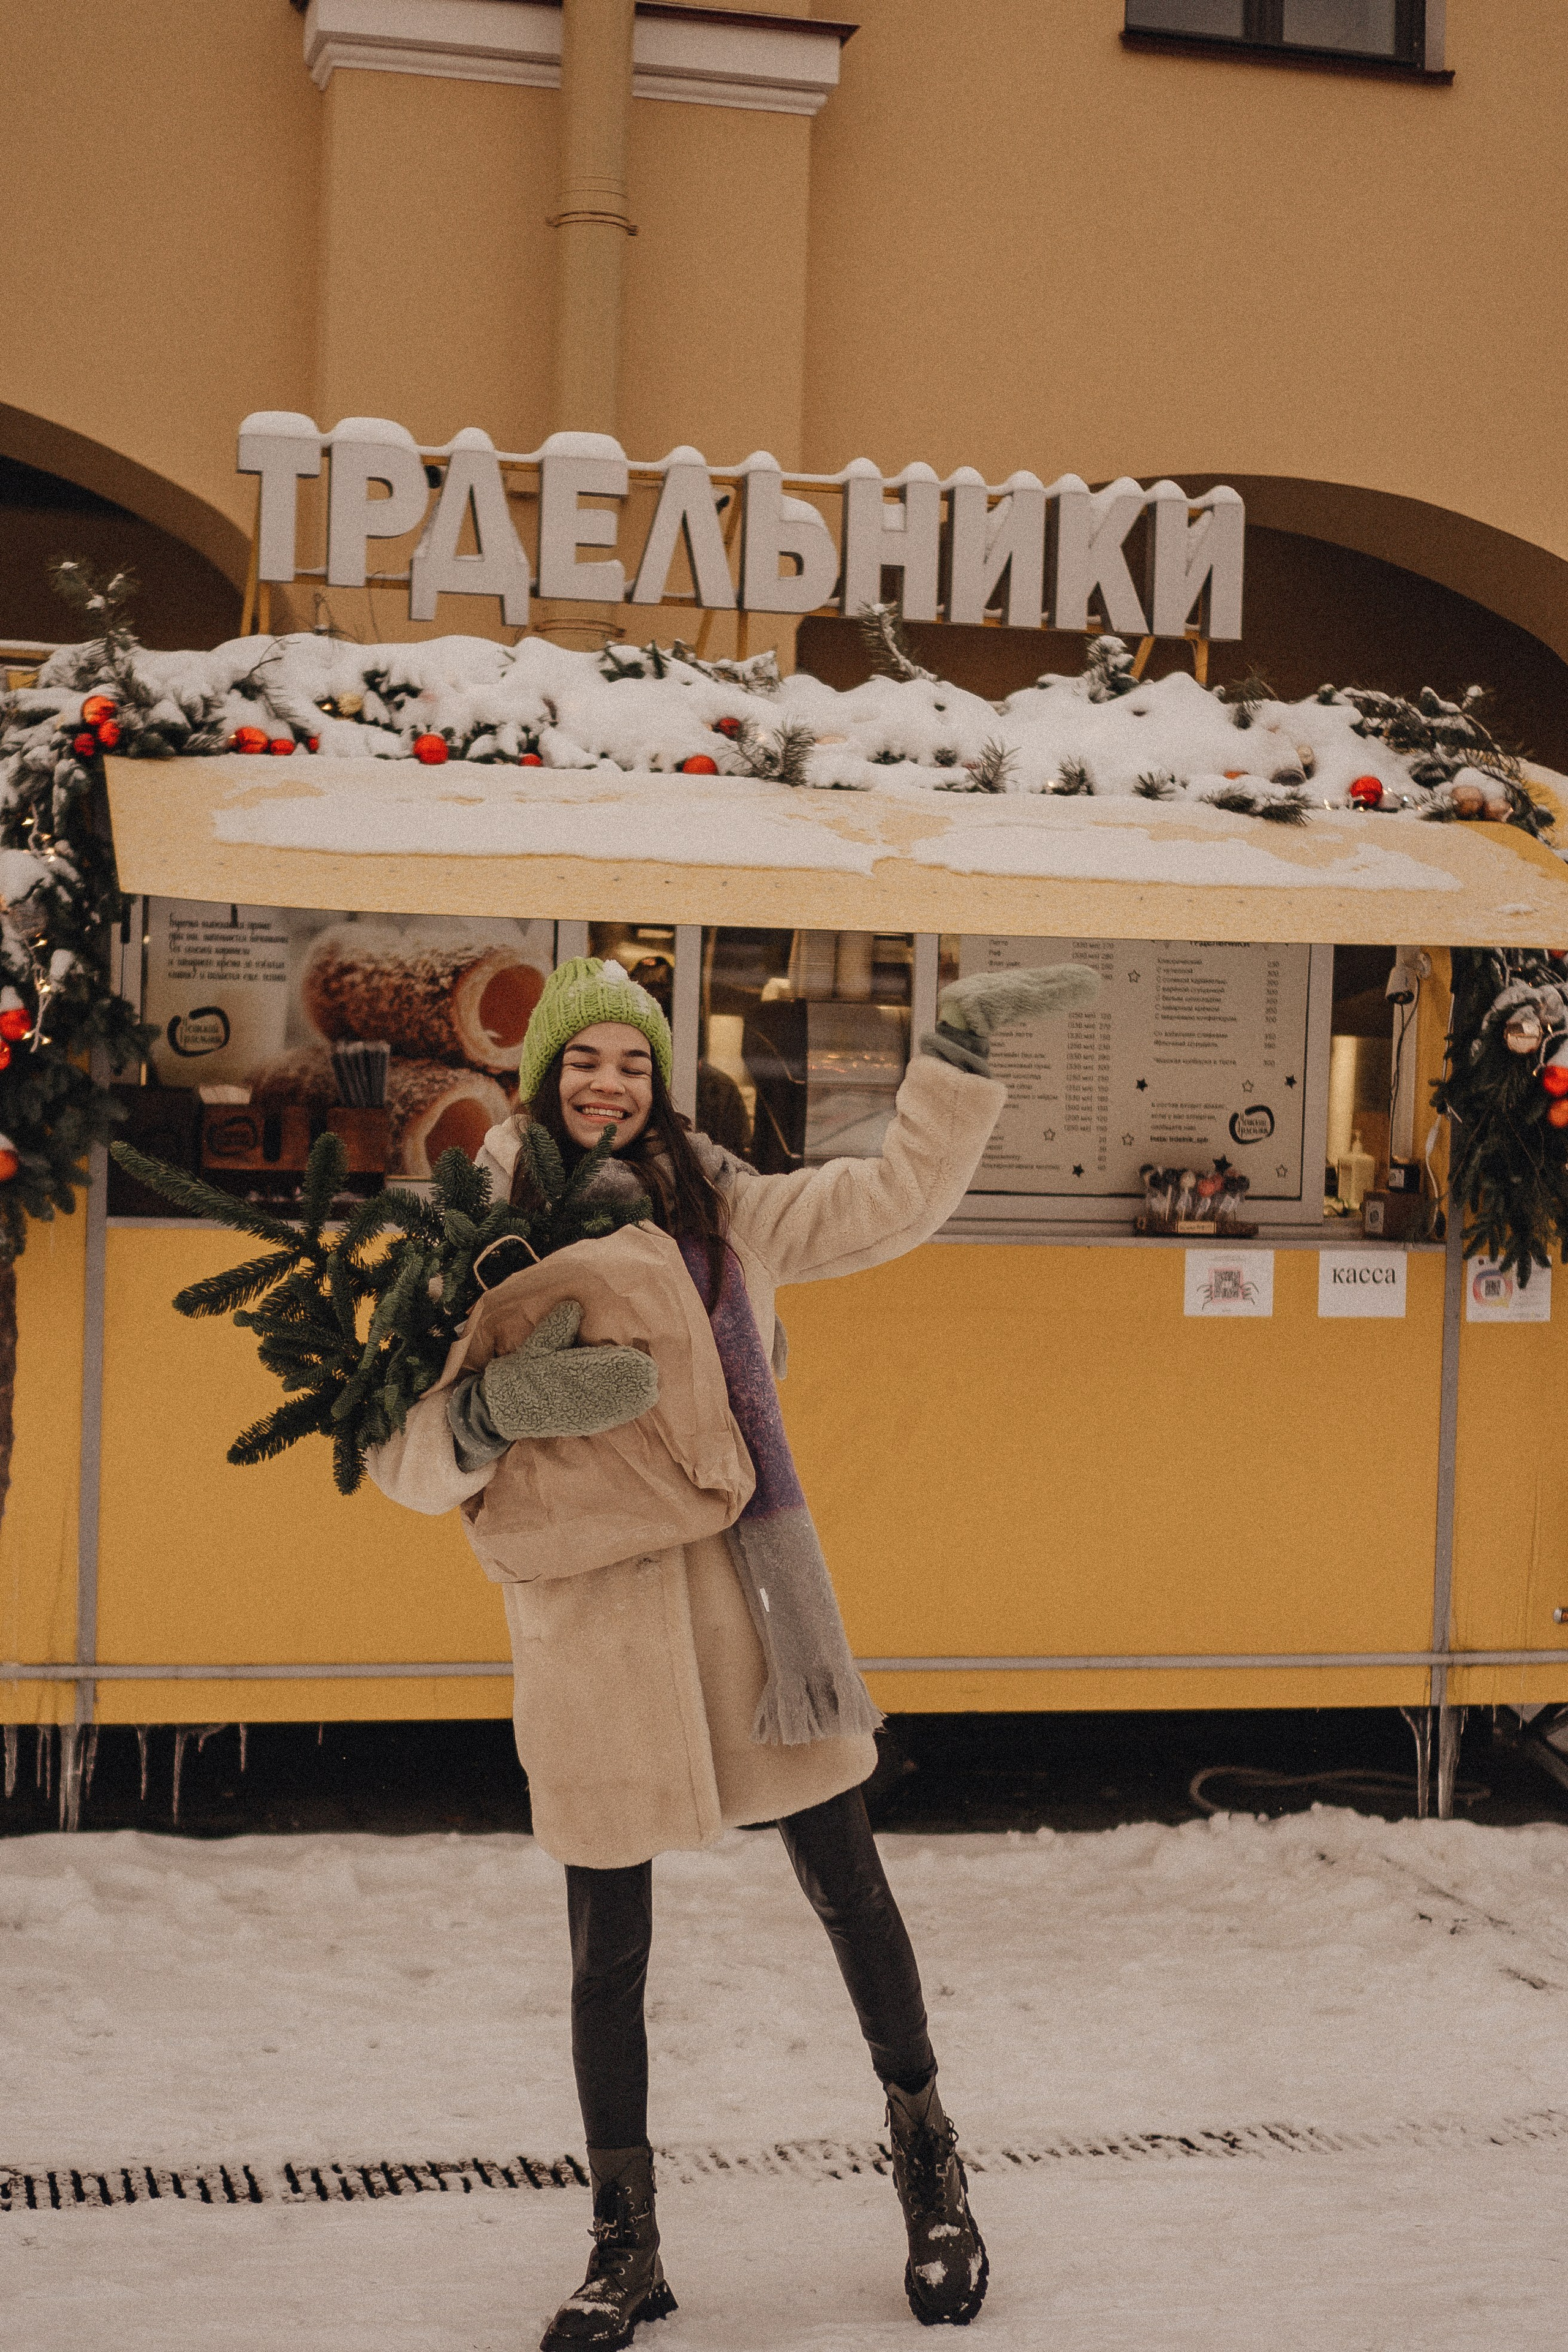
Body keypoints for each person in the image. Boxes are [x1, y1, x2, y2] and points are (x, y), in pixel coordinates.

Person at [368, 952, 1098, 2348]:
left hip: (750, 1608)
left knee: (849, 1889)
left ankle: (930, 2167)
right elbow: (396, 1448)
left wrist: (948, 1064)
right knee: (606, 1953)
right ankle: (622, 2243)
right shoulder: (472, 1230)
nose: (606, 1084)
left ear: (658, 1081)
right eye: (583, 1061)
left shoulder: (725, 1209)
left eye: (632, 1063)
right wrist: (486, 1416)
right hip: (586, 1623)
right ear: (542, 1078)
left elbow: (884, 1204)